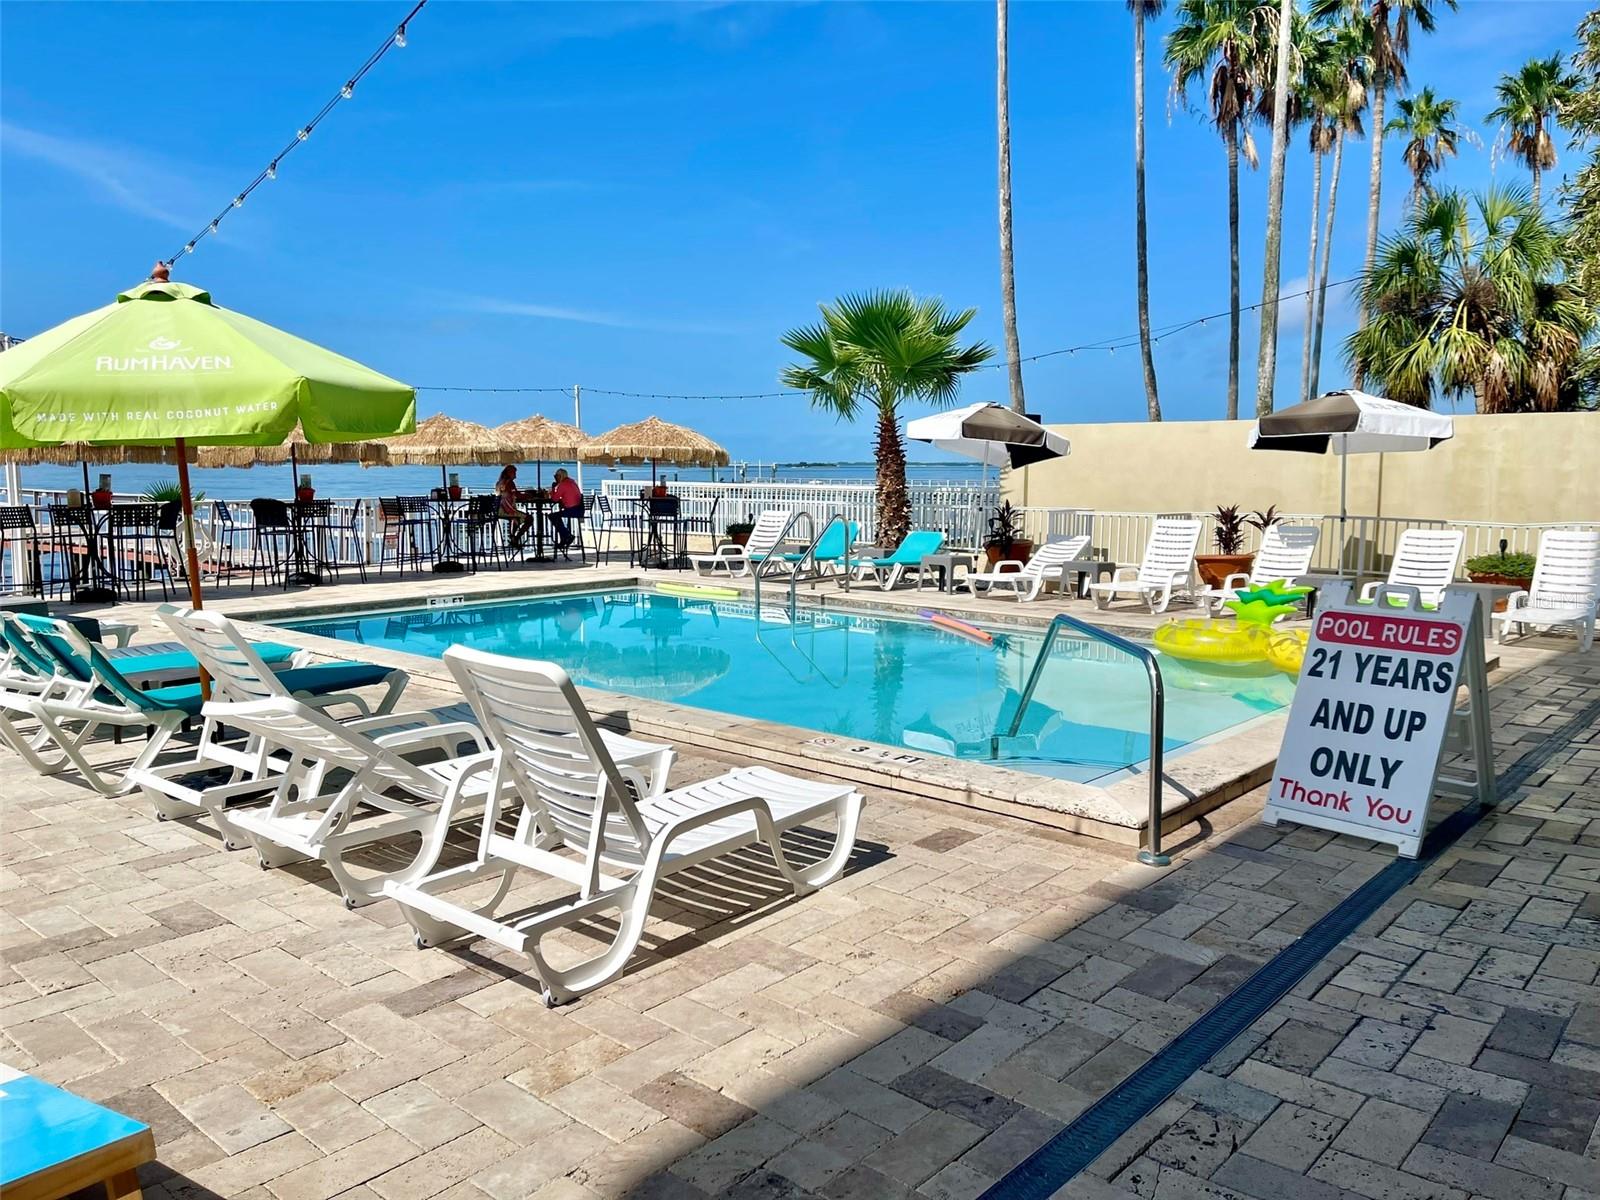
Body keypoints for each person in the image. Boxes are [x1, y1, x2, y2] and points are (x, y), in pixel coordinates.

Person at [547, 468, 584, 555]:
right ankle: (565, 537)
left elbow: (554, 499)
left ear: (560, 476)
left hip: (573, 510)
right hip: (579, 509)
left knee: (552, 516)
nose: (555, 478)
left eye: (556, 476)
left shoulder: (563, 484)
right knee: (556, 516)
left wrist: (553, 489)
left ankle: (566, 536)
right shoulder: (572, 482)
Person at [495, 464, 533, 547]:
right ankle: (515, 538)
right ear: (510, 473)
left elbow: (512, 494)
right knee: (529, 519)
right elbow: (516, 494)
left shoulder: (499, 482)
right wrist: (529, 495)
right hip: (507, 510)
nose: (515, 476)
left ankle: (513, 538)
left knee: (517, 518)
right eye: (514, 473)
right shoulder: (509, 483)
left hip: (498, 510)